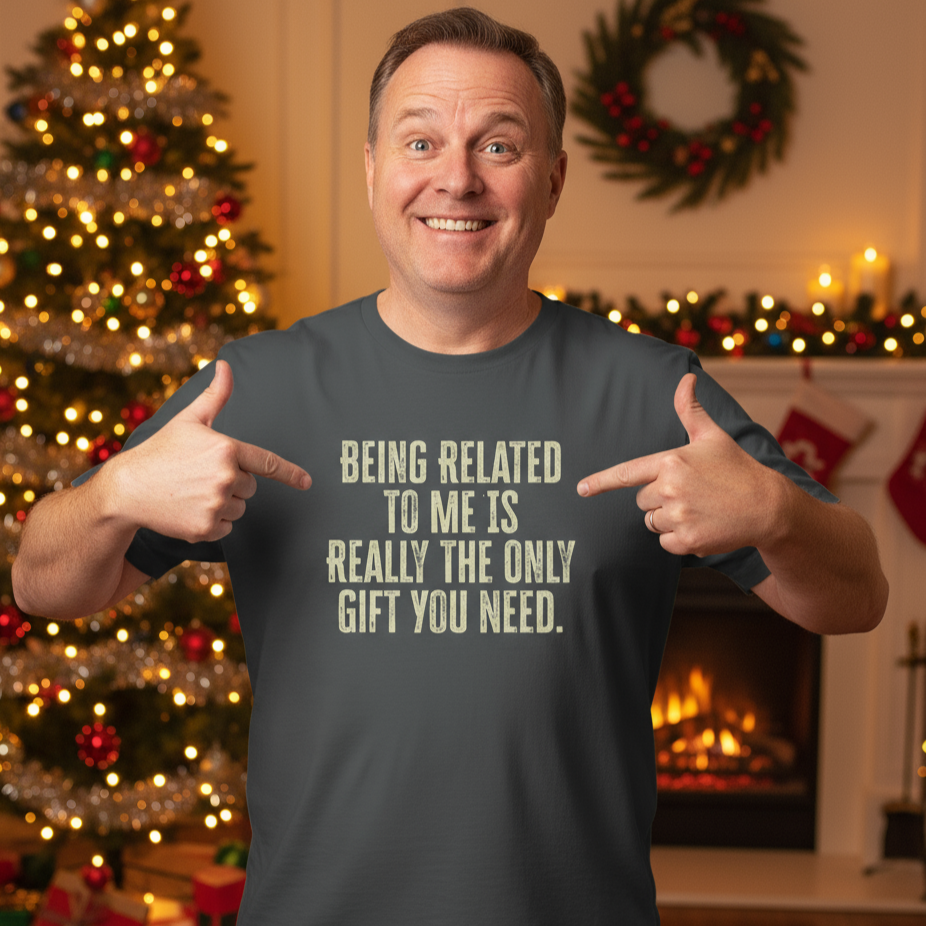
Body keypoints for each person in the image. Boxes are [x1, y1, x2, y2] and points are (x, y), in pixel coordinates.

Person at [13, 8, 887, 924]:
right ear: (373, 169)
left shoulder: (654, 394)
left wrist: (779, 515)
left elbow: (857, 597)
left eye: (499, 146)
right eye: (421, 139)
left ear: (552, 181)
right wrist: (115, 495)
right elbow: (44, 583)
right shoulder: (252, 387)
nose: (456, 179)